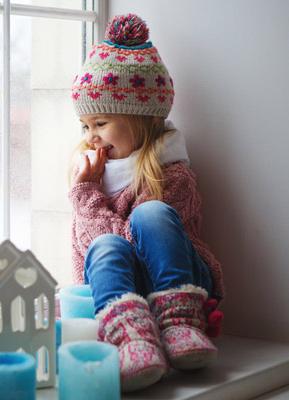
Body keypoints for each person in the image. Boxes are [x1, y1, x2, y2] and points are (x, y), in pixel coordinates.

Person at [68, 14, 225, 392]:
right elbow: (88, 255)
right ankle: (131, 343)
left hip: (179, 283)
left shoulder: (171, 175)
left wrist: (94, 203)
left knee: (150, 214)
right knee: (104, 244)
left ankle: (181, 327)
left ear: (141, 119)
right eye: (85, 126)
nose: (91, 138)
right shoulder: (89, 179)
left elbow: (144, 247)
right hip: (122, 298)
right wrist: (86, 195)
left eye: (101, 123)